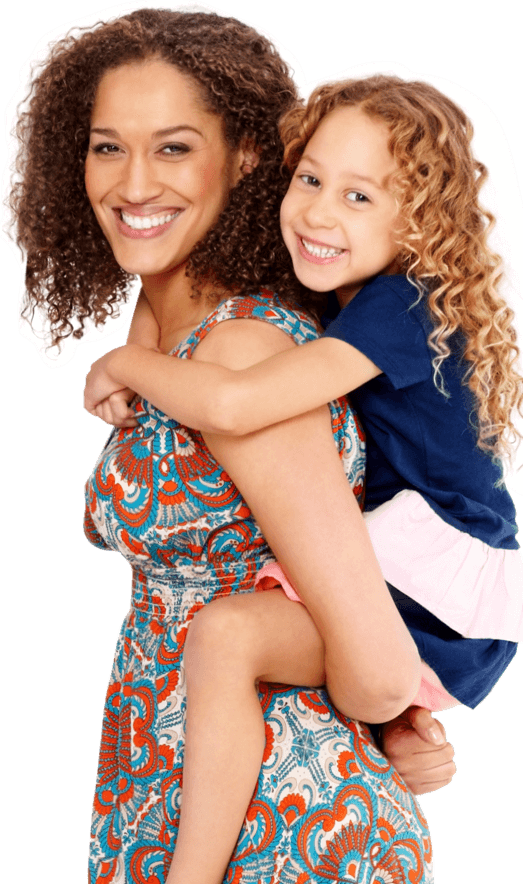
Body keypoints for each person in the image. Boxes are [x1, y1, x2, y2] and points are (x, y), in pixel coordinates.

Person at [9, 9, 452, 884]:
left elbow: (371, 660)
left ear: (247, 155)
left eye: (173, 148)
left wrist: (394, 710)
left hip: (284, 829)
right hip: (176, 792)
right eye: (107, 147)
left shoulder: (239, 348)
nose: (134, 183)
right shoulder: (163, 336)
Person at [83, 71, 523, 880]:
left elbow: (239, 403)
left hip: (434, 571)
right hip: (413, 575)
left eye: (360, 197)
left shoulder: (394, 308)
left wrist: (126, 363)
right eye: (311, 179)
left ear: (421, 224)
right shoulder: (330, 306)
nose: (319, 211)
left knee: (230, 633)